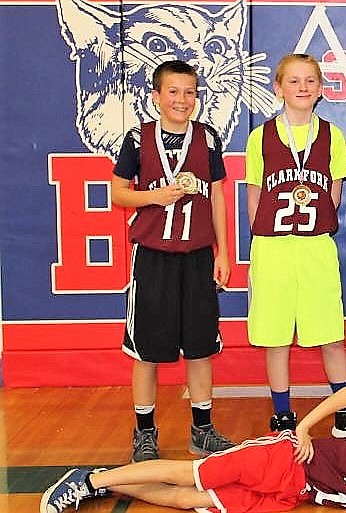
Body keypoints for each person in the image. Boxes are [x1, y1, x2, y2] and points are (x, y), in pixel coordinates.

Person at [40, 387, 346, 513]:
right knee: (188, 474)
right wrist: (305, 429)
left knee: (187, 500)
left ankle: (108, 486)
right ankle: (88, 479)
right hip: (285, 459)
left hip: (291, 495)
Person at [111, 60, 234, 463]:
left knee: (200, 348)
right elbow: (117, 194)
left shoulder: (209, 138)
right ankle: (144, 432)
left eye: (190, 92)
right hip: (153, 258)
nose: (182, 99)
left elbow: (217, 195)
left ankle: (202, 430)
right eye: (174, 92)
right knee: (146, 351)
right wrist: (153, 196)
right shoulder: (136, 138)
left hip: (197, 257)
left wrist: (224, 251)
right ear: (156, 96)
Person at [245, 54, 346, 437]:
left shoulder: (332, 135)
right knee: (276, 336)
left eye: (310, 81)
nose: (302, 87)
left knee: (329, 333)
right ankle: (282, 413)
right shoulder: (260, 136)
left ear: (321, 88)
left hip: (315, 245)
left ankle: (343, 406)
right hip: (273, 247)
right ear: (278, 88)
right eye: (293, 81)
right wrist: (266, 238)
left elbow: (334, 195)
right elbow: (254, 197)